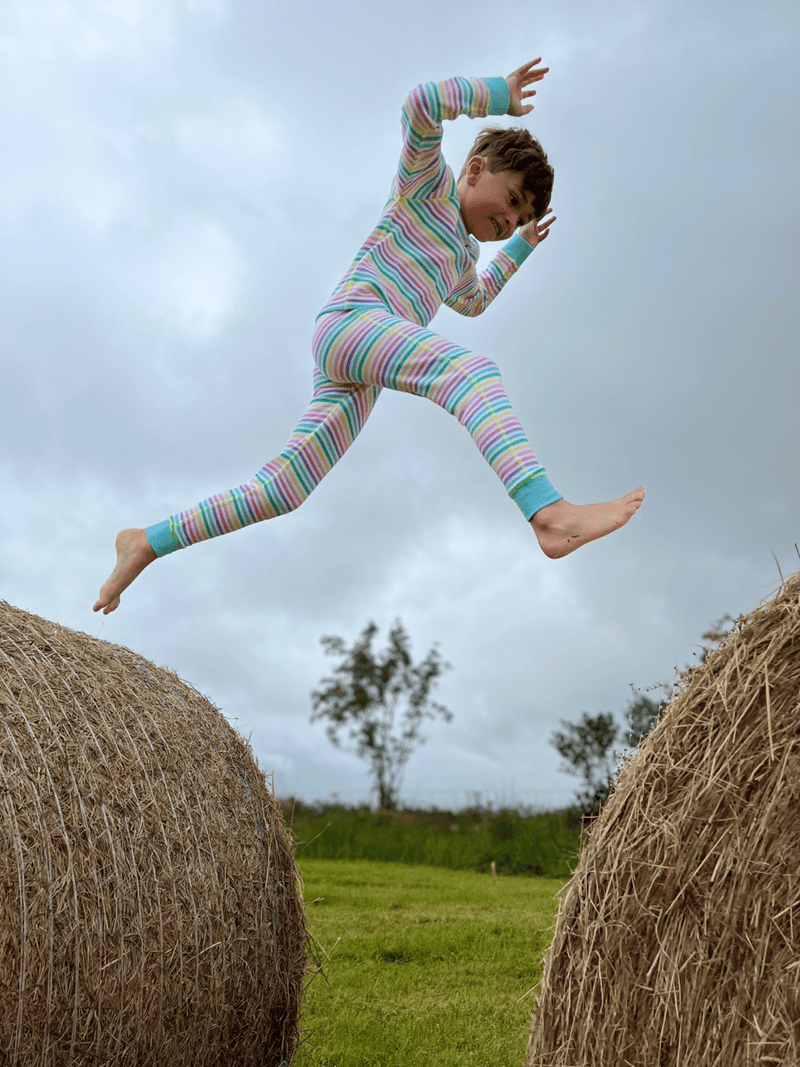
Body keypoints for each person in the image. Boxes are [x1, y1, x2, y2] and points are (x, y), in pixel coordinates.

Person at [94, 58, 644, 614]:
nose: (511, 219)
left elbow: (472, 302)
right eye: (513, 200)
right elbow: (421, 105)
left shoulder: (463, 257)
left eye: (521, 215)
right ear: (475, 170)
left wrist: (521, 248)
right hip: (353, 322)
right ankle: (547, 512)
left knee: (284, 490)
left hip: (362, 362)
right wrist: (496, 93)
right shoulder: (425, 189)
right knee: (471, 373)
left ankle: (146, 541)